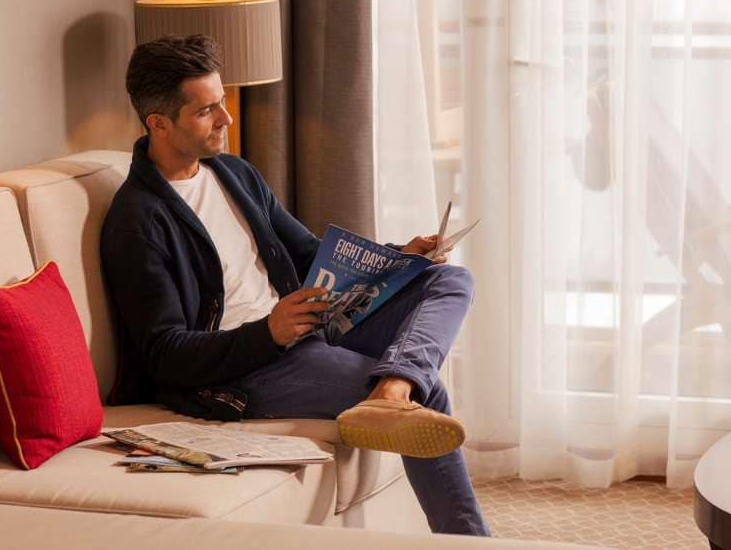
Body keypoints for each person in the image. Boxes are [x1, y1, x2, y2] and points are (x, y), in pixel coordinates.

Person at [101, 34, 490, 536]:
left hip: (310, 321)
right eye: (207, 111)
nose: (227, 119)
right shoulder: (137, 222)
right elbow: (165, 353)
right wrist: (269, 332)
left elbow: (309, 256)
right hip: (247, 366)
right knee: (429, 390)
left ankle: (393, 387)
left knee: (449, 279)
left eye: (223, 103)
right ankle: (469, 541)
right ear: (159, 123)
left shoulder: (234, 173)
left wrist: (399, 258)